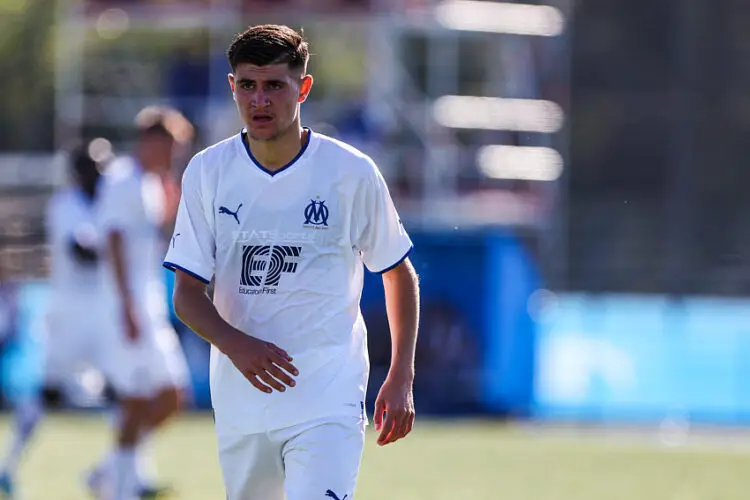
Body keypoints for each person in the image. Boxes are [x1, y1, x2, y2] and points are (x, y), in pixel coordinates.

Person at [163, 24, 420, 500]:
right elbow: (186, 295)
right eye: (248, 86)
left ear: (302, 87)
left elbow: (396, 271)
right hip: (243, 404)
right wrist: (235, 344)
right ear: (232, 87)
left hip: (329, 396)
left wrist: (401, 373)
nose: (260, 100)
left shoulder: (350, 171)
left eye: (274, 86)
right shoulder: (207, 171)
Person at [93, 106, 194, 500]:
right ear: (151, 142)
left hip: (145, 303)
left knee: (171, 396)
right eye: (172, 147)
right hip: (126, 307)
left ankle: (109, 471)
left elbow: (150, 231)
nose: (175, 155)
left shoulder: (150, 183)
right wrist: (126, 305)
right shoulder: (122, 181)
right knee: (136, 400)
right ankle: (119, 487)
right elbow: (114, 242)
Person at [0, 147, 110, 499]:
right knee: (48, 393)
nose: (99, 173)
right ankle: (9, 465)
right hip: (69, 316)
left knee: (128, 391)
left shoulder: (107, 202)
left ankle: (119, 473)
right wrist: (121, 248)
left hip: (101, 314)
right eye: (91, 167)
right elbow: (82, 249)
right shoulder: (65, 204)